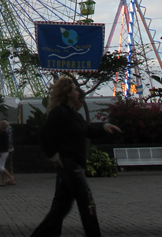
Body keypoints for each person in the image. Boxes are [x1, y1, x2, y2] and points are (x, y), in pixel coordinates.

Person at [30, 77, 121, 237]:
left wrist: (106, 127)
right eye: (73, 89)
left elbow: (89, 131)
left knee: (60, 209)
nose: (77, 91)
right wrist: (54, 156)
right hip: (70, 166)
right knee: (87, 203)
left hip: (72, 166)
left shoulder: (75, 116)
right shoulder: (59, 113)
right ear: (66, 93)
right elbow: (45, 134)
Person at [0, 119, 15, 186]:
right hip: (8, 149)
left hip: (5, 150)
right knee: (5, 165)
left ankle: (10, 178)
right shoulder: (7, 130)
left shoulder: (4, 133)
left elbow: (3, 143)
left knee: (1, 166)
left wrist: (0, 151)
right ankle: (4, 181)